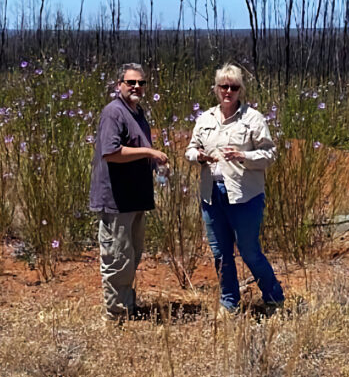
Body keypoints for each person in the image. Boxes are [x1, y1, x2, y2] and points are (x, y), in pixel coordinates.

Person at [185, 63, 284, 316]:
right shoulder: (205, 118)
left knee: (249, 250)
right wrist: (198, 156)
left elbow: (270, 154)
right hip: (211, 194)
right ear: (216, 89)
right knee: (221, 253)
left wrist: (243, 156)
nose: (228, 91)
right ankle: (229, 303)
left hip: (244, 195)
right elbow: (189, 149)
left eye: (234, 87)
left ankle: (273, 297)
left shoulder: (253, 119)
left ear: (241, 90)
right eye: (223, 86)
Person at [89, 63, 169, 323]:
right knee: (117, 257)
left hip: (136, 198)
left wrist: (156, 162)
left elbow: (135, 146)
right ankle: (116, 315)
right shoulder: (113, 113)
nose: (136, 87)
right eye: (131, 82)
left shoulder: (137, 112)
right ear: (118, 84)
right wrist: (149, 152)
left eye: (141, 83)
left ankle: (126, 305)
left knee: (131, 254)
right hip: (117, 200)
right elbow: (111, 153)